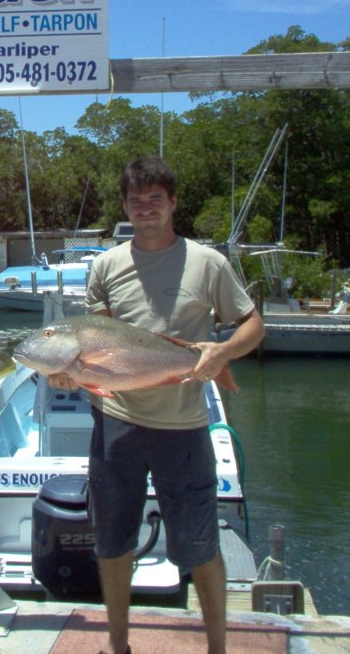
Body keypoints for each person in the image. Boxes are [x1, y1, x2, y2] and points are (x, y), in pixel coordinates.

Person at [50, 157, 265, 654]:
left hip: (185, 427)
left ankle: (217, 648)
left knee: (200, 545)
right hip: (117, 426)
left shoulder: (206, 262)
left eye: (155, 199)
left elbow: (252, 325)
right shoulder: (106, 266)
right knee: (112, 542)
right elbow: (98, 344)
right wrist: (72, 372)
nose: (145, 208)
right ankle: (118, 646)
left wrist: (222, 352)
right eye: (135, 200)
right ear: (124, 206)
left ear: (172, 203)